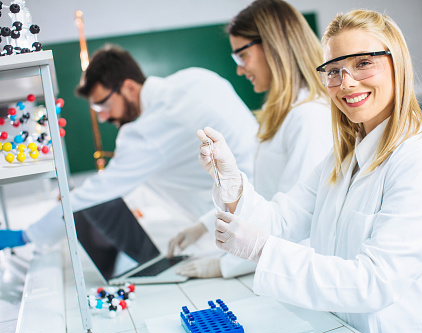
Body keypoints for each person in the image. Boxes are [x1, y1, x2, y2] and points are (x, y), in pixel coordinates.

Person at [197, 9, 422, 333]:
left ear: (397, 64)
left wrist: (263, 251)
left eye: (364, 63)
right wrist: (232, 183)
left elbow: (375, 282)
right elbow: (281, 220)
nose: (347, 82)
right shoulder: (341, 160)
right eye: (334, 71)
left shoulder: (420, 163)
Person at [0, 45, 258, 251]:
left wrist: (26, 235)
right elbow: (164, 172)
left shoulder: (149, 129)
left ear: (129, 87)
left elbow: (97, 195)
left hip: (244, 225)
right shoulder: (197, 77)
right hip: (263, 198)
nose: (102, 117)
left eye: (103, 106)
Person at [168, 0, 332, 279]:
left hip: (296, 268)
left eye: (241, 56)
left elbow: (294, 223)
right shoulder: (284, 113)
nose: (240, 70)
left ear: (273, 45)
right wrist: (204, 225)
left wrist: (224, 266)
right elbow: (265, 195)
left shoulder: (309, 117)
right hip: (275, 262)